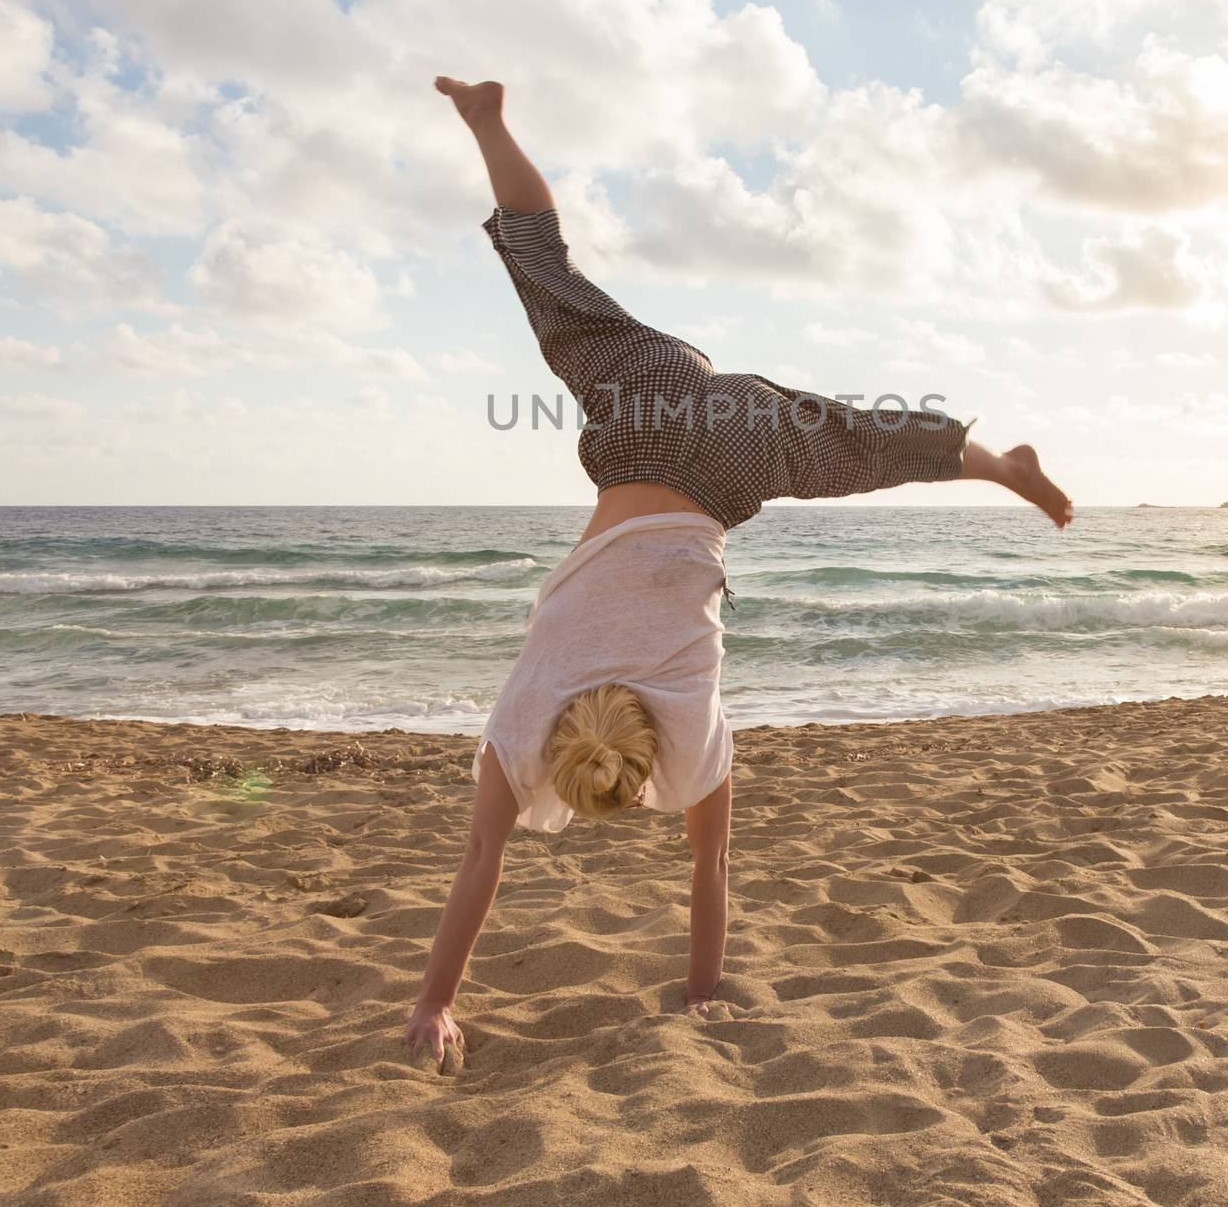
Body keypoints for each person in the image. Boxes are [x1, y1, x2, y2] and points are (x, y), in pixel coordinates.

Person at [403, 77, 1072, 1069]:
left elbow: (709, 866)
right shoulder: (526, 720)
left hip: (731, 454)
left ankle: (996, 465)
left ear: (636, 783)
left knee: (860, 445)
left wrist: (703, 991)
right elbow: (478, 861)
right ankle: (488, 120)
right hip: (651, 399)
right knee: (550, 284)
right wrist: (430, 1003)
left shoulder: (685, 733)